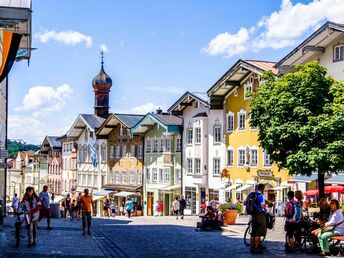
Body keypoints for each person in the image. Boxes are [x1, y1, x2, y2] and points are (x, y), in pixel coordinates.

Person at [248, 183, 267, 255]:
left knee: (253, 232)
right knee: (258, 233)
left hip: (253, 215)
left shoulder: (252, 194)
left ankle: (252, 247)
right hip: (260, 215)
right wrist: (265, 205)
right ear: (262, 188)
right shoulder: (260, 195)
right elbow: (262, 206)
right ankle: (256, 248)